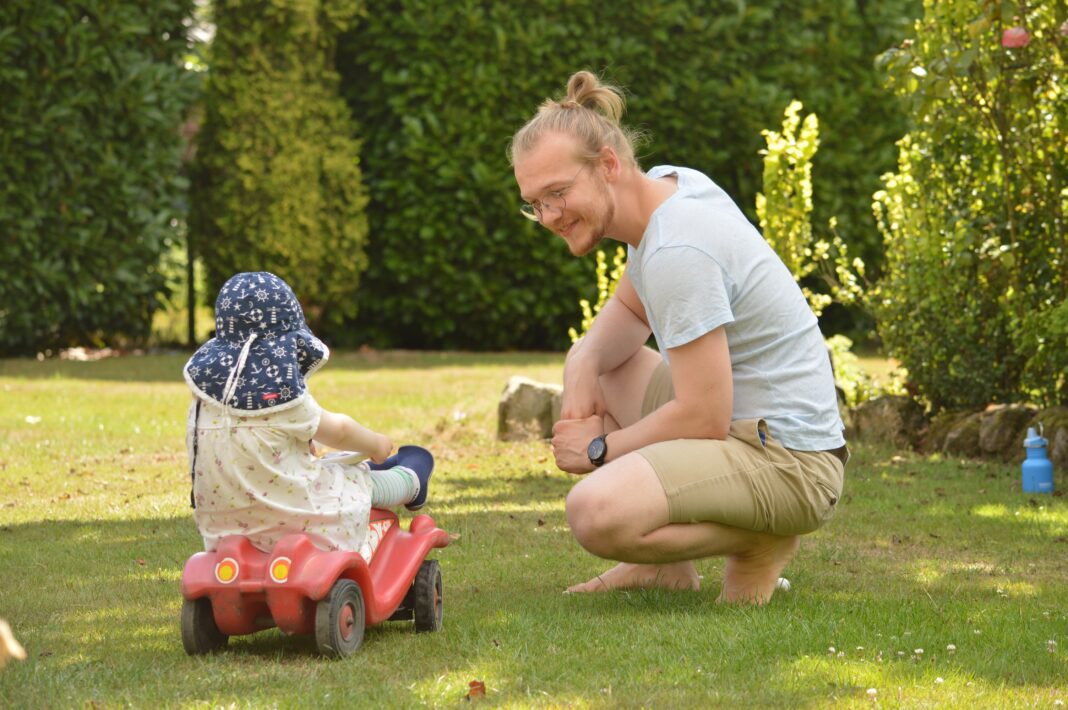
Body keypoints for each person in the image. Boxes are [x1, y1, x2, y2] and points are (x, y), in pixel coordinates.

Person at [509, 71, 847, 603]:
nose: (549, 216)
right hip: (748, 427)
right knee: (610, 361)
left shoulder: (677, 251)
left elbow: (703, 416)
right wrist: (582, 361)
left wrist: (598, 449)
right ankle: (666, 568)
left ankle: (763, 540)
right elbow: (628, 308)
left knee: (594, 512)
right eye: (535, 202)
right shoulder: (671, 188)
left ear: (609, 167)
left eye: (558, 193)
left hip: (793, 463)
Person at [182, 271, 433, 559]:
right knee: (357, 484)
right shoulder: (279, 398)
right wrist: (375, 444)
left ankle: (385, 470)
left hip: (224, 531)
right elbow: (339, 432)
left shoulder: (203, 403)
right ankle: (411, 480)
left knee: (327, 469)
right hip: (296, 524)